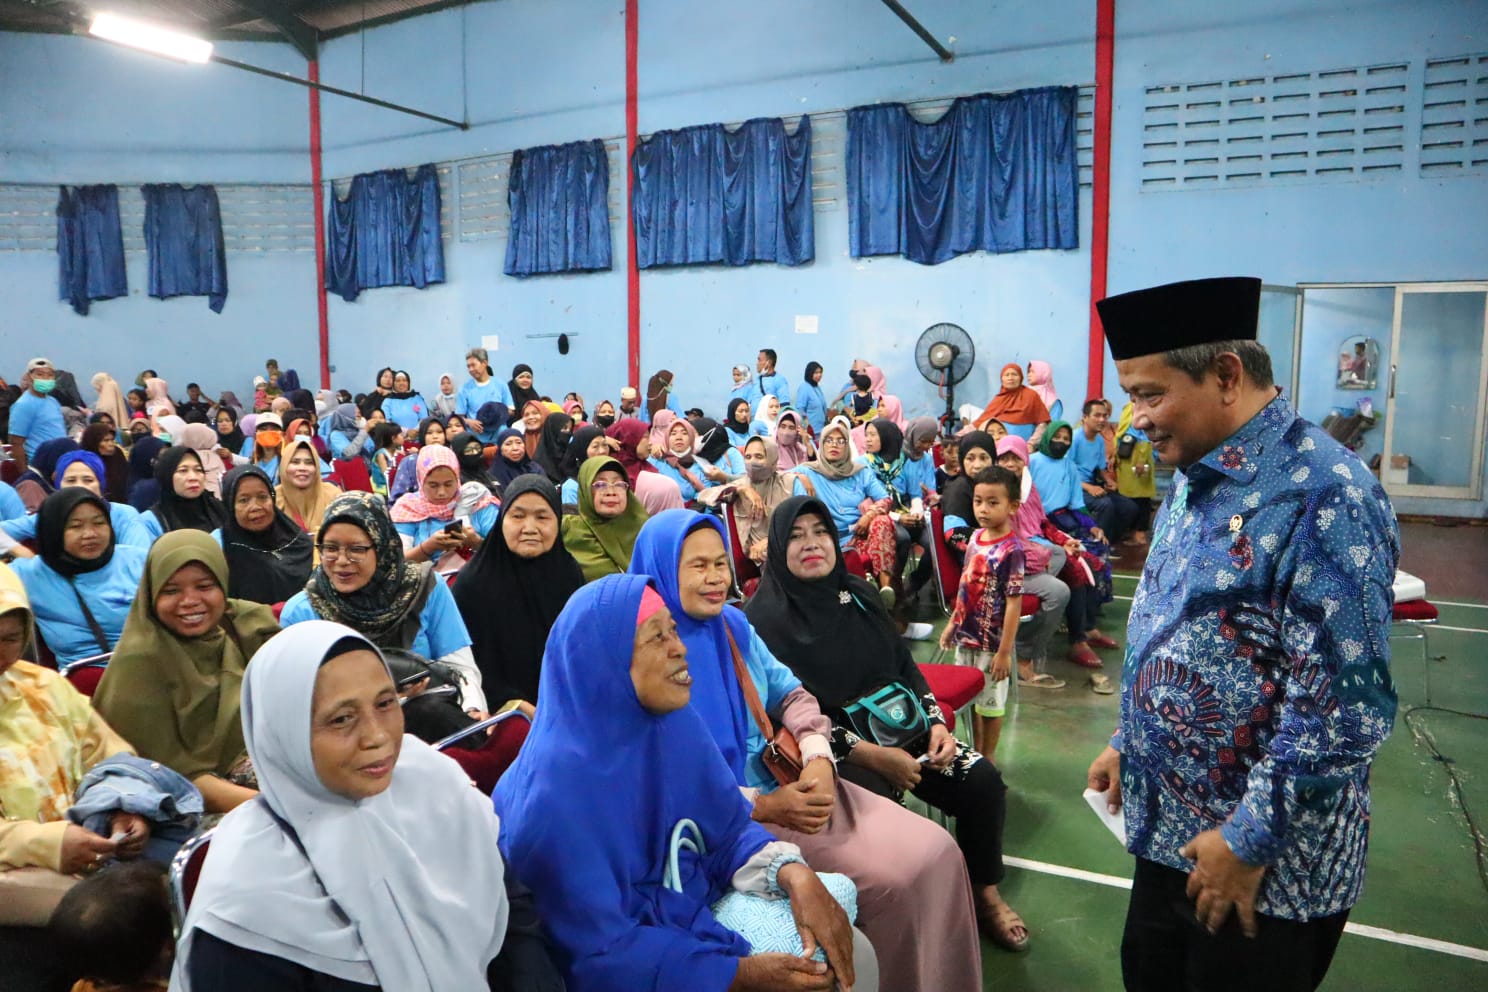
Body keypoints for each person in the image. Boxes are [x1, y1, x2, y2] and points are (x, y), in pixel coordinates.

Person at [1083, 276, 1399, 992]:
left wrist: (1248, 840)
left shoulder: (1326, 493)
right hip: (1170, 834)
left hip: (1263, 870)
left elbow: (1349, 707)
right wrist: (1129, 739)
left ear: (1226, 374)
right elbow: (1175, 620)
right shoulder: (1197, 475)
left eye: (1149, 394)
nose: (1135, 419)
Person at [630, 509, 978, 991]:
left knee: (938, 850)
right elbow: (668, 783)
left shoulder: (731, 625)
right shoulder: (643, 654)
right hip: (742, 819)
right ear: (663, 569)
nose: (714, 579)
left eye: (720, 564)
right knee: (892, 884)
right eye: (697, 566)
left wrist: (817, 756)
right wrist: (768, 805)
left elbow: (791, 694)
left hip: (795, 782)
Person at [495, 573, 868, 992]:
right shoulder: (552, 802)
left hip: (687, 913)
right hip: (631, 969)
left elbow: (724, 828)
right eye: (656, 638)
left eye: (673, 630)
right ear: (606, 663)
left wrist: (793, 874)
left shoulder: (671, 726)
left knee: (844, 942)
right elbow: (597, 955)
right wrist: (737, 976)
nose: (679, 648)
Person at [746, 497, 1028, 950]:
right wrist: (874, 758)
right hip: (835, 752)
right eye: (796, 536)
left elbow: (905, 665)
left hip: (906, 728)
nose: (811, 543)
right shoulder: (762, 622)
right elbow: (783, 717)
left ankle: (984, 892)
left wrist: (937, 724)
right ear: (778, 548)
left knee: (982, 783)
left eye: (819, 531)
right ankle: (900, 925)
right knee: (884, 824)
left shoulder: (857, 593)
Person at [172, 621, 510, 991]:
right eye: (342, 719)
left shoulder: (431, 782)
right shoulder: (246, 897)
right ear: (284, 733)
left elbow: (517, 921)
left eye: (385, 704)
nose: (377, 736)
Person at [93, 532, 280, 815]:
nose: (190, 601)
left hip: (265, 772)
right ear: (151, 593)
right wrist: (282, 807)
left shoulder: (243, 626)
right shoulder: (140, 663)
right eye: (171, 591)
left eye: (204, 586)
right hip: (191, 807)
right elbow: (175, 780)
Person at [0, 566, 144, 928]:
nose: (0, 654)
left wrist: (123, 809)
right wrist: (48, 843)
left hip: (91, 859)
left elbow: (109, 755)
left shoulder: (43, 688)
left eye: (10, 639)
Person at [279, 493, 488, 714]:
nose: (340, 561)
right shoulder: (303, 612)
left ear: (382, 546)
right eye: (330, 548)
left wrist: (471, 709)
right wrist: (383, 703)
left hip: (430, 722)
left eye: (356, 549)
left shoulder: (424, 588)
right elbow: (299, 704)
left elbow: (460, 668)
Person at [453, 475, 583, 715]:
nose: (530, 528)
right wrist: (512, 703)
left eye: (542, 517)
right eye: (518, 516)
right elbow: (464, 666)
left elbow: (579, 653)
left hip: (568, 705)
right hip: (502, 715)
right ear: (501, 520)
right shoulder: (473, 585)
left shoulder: (568, 573)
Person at [938, 466, 1025, 758]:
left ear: (1012, 506)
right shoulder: (975, 538)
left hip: (992, 644)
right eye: (978, 501)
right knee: (973, 699)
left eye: (992, 502)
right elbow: (965, 583)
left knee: (991, 705)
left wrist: (1004, 651)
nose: (983, 509)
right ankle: (976, 753)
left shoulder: (1012, 550)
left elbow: (1014, 602)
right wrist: (954, 623)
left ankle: (988, 758)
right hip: (967, 637)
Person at [10, 490, 147, 665]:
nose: (90, 534)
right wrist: (14, 548)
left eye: (99, 523)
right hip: (81, 682)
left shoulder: (139, 562)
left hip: (148, 670)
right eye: (75, 526)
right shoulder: (30, 573)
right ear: (52, 530)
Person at [790, 417, 900, 605]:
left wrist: (869, 515)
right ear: (821, 444)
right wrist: (798, 476)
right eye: (829, 440)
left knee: (883, 522)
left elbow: (885, 499)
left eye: (840, 441)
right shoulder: (807, 472)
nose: (835, 445)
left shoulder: (860, 471)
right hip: (825, 541)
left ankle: (885, 590)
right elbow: (775, 479)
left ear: (847, 445)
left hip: (857, 536)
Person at [1, 450, 151, 551]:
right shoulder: (49, 516)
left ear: (101, 485)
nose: (79, 486)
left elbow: (140, 556)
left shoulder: (124, 515)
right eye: (71, 480)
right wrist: (20, 552)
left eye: (88, 480)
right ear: (59, 486)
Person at [391, 444, 500, 576]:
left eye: (448, 484)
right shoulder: (408, 509)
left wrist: (476, 543)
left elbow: (505, 553)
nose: (442, 492)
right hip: (428, 588)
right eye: (433, 485)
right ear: (421, 481)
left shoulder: (477, 502)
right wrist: (430, 546)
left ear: (458, 479)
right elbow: (396, 565)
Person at [215, 465, 314, 605]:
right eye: (244, 500)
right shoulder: (224, 552)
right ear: (230, 506)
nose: (256, 507)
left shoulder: (299, 542)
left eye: (262, 497)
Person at [561, 455, 649, 582]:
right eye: (600, 484)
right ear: (585, 489)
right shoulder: (568, 530)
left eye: (619, 484)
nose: (611, 492)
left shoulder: (643, 527)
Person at [1070, 399, 1140, 545]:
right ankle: (1095, 545)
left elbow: (1100, 468)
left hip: (1091, 486)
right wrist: (1089, 487)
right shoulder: (1074, 438)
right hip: (1074, 487)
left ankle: (1108, 544)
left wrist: (1109, 481)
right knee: (1105, 504)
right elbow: (1065, 472)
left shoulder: (1099, 441)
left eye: (1105, 416)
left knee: (1129, 507)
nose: (1102, 420)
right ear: (1085, 417)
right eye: (1097, 415)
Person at [139, 447, 229, 541]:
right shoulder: (150, 521)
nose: (193, 477)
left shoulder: (218, 508)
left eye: (198, 470)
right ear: (167, 476)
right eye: (183, 470)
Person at [606, 417, 683, 512]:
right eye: (645, 437)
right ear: (629, 439)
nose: (650, 443)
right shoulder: (611, 472)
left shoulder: (646, 466)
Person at [8, 358, 66, 476]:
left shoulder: (53, 401)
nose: (45, 378)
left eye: (49, 375)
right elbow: (16, 443)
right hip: (40, 466)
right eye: (40, 374)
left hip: (60, 464)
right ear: (29, 377)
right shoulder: (24, 405)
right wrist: (27, 475)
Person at [276, 437, 342, 535]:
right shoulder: (273, 499)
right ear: (284, 466)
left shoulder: (333, 495)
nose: (302, 468)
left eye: (309, 463)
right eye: (295, 462)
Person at [973, 364, 1051, 446]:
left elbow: (1043, 423)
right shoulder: (998, 400)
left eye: (1014, 374)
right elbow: (980, 422)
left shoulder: (1031, 396)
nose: (1010, 378)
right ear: (1002, 379)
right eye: (1007, 375)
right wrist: (960, 434)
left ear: (1021, 377)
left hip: (1024, 448)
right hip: (998, 448)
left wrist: (1031, 444)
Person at [1113, 400, 1157, 545]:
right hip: (1126, 455)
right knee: (1128, 495)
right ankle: (1132, 532)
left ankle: (1140, 534)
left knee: (1141, 497)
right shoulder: (1130, 406)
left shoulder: (1144, 407)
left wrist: (1142, 459)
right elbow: (1122, 431)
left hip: (1138, 454)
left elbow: (1144, 435)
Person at [457, 348, 514, 444]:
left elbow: (511, 411)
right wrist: (469, 422)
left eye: (473, 365)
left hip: (499, 436)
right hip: (476, 438)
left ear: (484, 363)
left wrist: (498, 413)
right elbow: (459, 418)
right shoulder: (464, 389)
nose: (471, 369)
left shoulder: (500, 385)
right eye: (468, 366)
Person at [649, 413, 707, 502]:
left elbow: (706, 498)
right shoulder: (656, 461)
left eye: (684, 433)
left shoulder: (701, 466)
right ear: (667, 438)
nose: (679, 438)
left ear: (691, 438)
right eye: (673, 434)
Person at [559, 426, 614, 505]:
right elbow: (571, 516)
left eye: (605, 445)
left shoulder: (614, 476)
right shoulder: (572, 487)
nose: (602, 451)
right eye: (595, 446)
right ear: (582, 450)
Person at [449, 430, 500, 496]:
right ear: (459, 453)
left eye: (477, 448)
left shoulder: (487, 475)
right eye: (468, 450)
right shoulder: (457, 481)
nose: (475, 452)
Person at [532, 412, 574, 484]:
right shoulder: (538, 465)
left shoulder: (571, 457)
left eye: (570, 429)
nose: (568, 432)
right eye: (564, 428)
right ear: (552, 430)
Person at [795, 362, 828, 436]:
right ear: (810, 373)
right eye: (816, 372)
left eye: (820, 372)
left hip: (821, 430)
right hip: (811, 432)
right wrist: (807, 425)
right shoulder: (804, 387)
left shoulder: (817, 387)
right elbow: (800, 408)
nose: (819, 375)